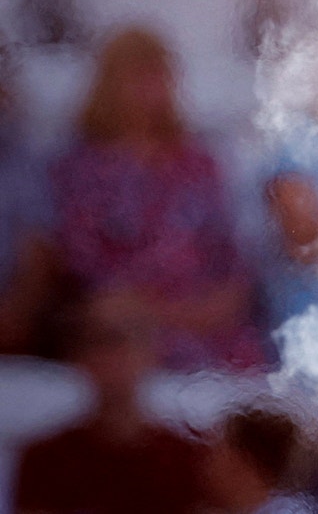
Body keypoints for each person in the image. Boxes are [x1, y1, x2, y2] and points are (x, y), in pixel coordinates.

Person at [47, 26, 264, 371]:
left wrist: (201, 310)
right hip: (120, 330)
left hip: (202, 322)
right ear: (109, 85)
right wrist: (138, 312)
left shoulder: (200, 164)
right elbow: (83, 272)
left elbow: (230, 262)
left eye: (156, 76)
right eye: (135, 77)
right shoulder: (80, 168)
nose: (147, 89)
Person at [14, 294, 215, 514]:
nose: (112, 355)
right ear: (77, 356)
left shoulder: (192, 458)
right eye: (97, 341)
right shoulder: (46, 460)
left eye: (124, 338)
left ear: (151, 351)